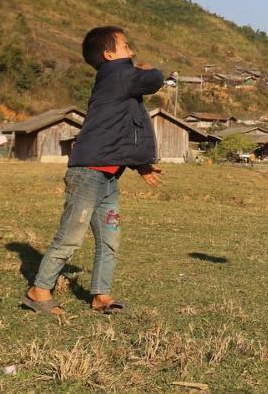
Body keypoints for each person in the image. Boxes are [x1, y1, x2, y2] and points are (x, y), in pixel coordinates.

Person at [22, 26, 165, 315]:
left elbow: (123, 133)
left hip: (107, 176)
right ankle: (38, 291)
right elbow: (154, 79)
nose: (132, 52)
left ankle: (101, 296)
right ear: (109, 55)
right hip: (87, 174)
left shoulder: (118, 82)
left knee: (110, 238)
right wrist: (151, 69)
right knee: (71, 236)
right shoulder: (118, 74)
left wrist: (140, 165)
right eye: (126, 47)